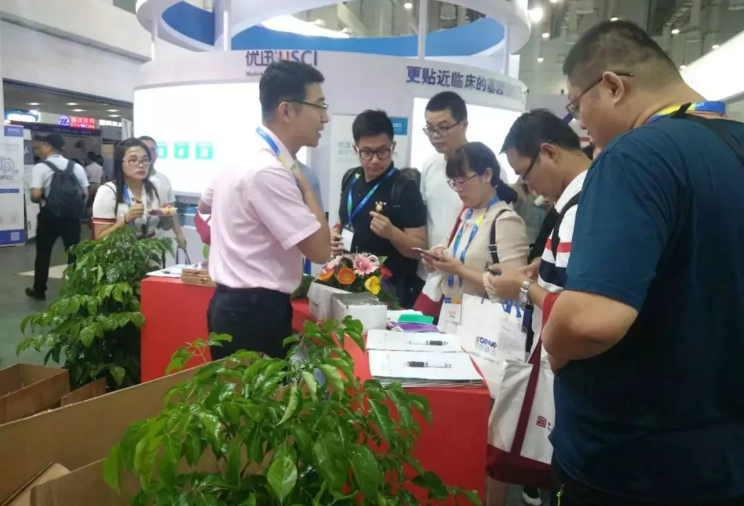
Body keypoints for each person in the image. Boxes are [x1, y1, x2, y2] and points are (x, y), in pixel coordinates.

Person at [541, 20, 744, 506]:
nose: (582, 126)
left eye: (577, 107)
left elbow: (590, 321)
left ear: (612, 86)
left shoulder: (637, 155)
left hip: (630, 464)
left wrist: (556, 345)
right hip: (723, 460)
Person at [487, 110, 592, 506]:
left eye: (525, 174)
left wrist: (523, 285)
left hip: (574, 377)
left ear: (548, 153)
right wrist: (539, 269)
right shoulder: (576, 203)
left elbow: (576, 309)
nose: (527, 186)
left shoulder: (581, 207)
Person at [202, 60, 330, 360]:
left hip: (233, 305)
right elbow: (320, 250)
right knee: (257, 391)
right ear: (287, 111)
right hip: (254, 313)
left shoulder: (242, 152)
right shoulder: (268, 170)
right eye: (319, 106)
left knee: (236, 389)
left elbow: (205, 204)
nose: (324, 118)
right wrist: (307, 190)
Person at [331, 109, 427, 307]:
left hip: (388, 290)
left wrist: (392, 233)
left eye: (383, 151)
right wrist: (335, 233)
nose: (375, 160)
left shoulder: (404, 187)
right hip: (348, 278)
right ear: (355, 148)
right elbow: (347, 219)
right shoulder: (350, 177)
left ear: (393, 146)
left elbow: (420, 249)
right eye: (367, 152)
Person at [26, 134, 89, 302]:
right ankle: (77, 289)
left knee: (43, 253)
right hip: (72, 219)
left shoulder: (41, 167)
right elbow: (85, 193)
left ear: (48, 146)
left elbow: (36, 194)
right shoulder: (76, 167)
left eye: (41, 145)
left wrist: (41, 199)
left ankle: (39, 289)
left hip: (49, 217)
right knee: (73, 253)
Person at [419, 92, 471, 256]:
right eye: (430, 128)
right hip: (431, 264)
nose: (435, 135)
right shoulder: (429, 165)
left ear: (464, 125)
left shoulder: (484, 168)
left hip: (466, 266)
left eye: (443, 128)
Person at [92, 138, 173, 243]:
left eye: (145, 160)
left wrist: (168, 217)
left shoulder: (153, 189)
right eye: (133, 160)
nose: (141, 165)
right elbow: (100, 238)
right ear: (120, 163)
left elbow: (166, 227)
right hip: (121, 251)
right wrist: (126, 219)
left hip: (151, 249)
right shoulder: (108, 191)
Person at [138, 136, 186, 250]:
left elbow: (171, 210)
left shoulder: (163, 180)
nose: (150, 154)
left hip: (154, 240)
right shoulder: (130, 180)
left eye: (153, 150)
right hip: (128, 241)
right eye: (146, 150)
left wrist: (179, 234)